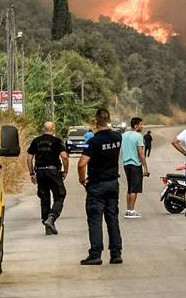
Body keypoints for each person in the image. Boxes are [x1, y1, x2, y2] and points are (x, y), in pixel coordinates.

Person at [77, 109, 123, 265]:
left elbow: (82, 163)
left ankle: (95, 254)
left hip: (97, 184)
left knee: (95, 219)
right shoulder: (117, 137)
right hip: (113, 183)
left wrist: (82, 180)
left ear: (96, 122)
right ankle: (116, 254)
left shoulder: (93, 141)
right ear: (109, 120)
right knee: (112, 218)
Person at [26, 121, 68, 235]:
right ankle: (52, 217)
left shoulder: (36, 141)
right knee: (60, 195)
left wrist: (32, 174)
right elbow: (64, 156)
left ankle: (47, 226)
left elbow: (29, 158)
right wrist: (65, 170)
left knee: (44, 198)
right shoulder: (57, 141)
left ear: (43, 129)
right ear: (53, 129)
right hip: (53, 172)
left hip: (40, 172)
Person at [120, 117, 149, 219]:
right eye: (141, 125)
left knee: (129, 188)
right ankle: (131, 211)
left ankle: (128, 209)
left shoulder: (124, 135)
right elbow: (141, 153)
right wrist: (145, 167)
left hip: (126, 164)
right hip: (135, 164)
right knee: (134, 189)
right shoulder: (138, 136)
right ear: (136, 126)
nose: (142, 126)